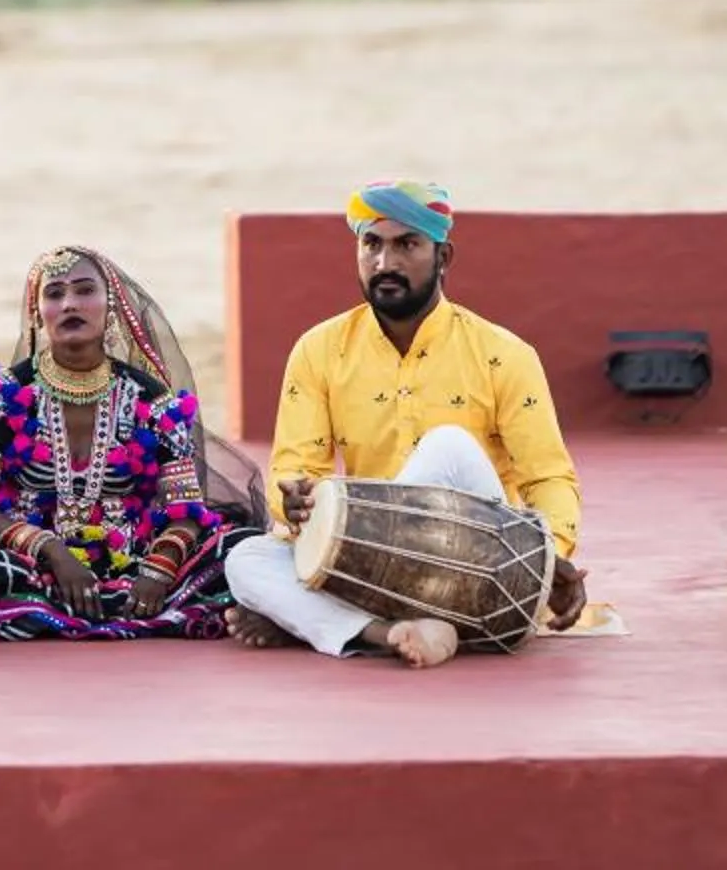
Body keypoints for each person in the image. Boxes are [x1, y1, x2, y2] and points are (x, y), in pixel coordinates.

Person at [225, 180, 590, 667]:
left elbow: (548, 477)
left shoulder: (505, 355)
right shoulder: (319, 350)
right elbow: (294, 468)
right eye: (371, 244)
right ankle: (391, 631)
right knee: (246, 560)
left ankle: (315, 618)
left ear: (444, 255)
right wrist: (294, 500)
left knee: (449, 447)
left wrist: (549, 561)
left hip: (476, 566)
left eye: (407, 245)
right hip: (365, 562)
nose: (385, 263)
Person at [0, 245, 268, 640]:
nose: (70, 303)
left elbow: (184, 507)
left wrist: (158, 570)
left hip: (136, 564)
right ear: (37, 312)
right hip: (31, 566)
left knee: (245, 548)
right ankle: (110, 610)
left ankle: (59, 611)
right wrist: (52, 551)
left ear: (112, 306)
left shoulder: (152, 401)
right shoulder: (3, 396)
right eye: (54, 294)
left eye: (85, 291)